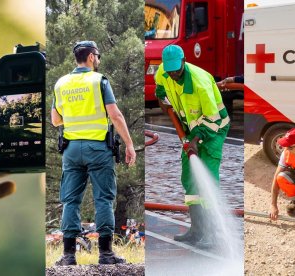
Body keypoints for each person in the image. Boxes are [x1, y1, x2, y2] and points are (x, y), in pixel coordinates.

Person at [51, 41, 136, 265]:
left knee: (70, 200)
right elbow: (115, 115)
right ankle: (106, 254)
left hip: (71, 150)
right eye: (97, 55)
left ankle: (68, 256)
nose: (98, 59)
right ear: (90, 57)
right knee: (103, 199)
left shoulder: (61, 83)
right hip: (97, 148)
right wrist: (129, 144)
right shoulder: (99, 81)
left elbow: (55, 119)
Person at [154, 45, 230, 246]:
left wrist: (195, 142)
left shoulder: (200, 83)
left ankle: (213, 236)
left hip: (213, 129)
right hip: (190, 130)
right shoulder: (164, 71)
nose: (174, 75)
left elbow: (212, 119)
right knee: (189, 179)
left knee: (208, 180)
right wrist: (161, 100)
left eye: (177, 71)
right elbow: (160, 87)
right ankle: (197, 231)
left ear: (184, 61)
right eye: (170, 72)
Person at [269, 128, 295, 220]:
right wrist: (273, 205)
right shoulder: (286, 153)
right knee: (281, 177)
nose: (285, 149)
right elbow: (276, 178)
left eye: (289, 147)